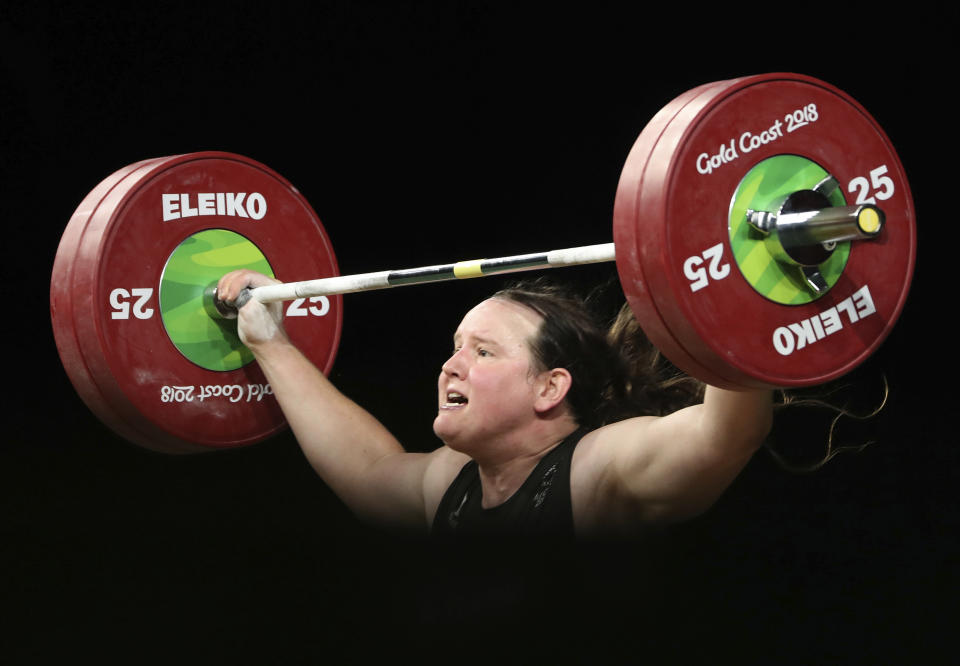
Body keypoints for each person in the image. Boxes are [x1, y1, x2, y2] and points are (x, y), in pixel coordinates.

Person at [216, 270, 773, 538]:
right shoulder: (452, 483)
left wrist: (750, 290)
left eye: (483, 352)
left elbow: (722, 434)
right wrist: (269, 341)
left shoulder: (597, 470)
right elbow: (367, 470)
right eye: (455, 348)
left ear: (549, 389)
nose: (451, 366)